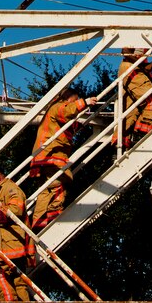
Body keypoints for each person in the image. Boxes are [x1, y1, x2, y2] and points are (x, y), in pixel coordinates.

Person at [29, 88, 97, 231]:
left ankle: (38, 225)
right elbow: (67, 111)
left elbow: (70, 124)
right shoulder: (58, 107)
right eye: (74, 101)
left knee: (44, 192)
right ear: (69, 98)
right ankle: (53, 223)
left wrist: (84, 112)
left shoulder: (54, 114)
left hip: (44, 157)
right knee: (57, 189)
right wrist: (85, 102)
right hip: (51, 158)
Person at [0, 168, 35, 303]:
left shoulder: (10, 189)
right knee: (18, 281)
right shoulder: (1, 191)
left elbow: (16, 209)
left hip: (11, 244)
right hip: (11, 242)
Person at [111, 48, 152, 150]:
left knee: (130, 112)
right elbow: (126, 50)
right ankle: (141, 137)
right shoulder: (136, 34)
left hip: (133, 67)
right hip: (132, 68)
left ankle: (120, 147)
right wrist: (140, 63)